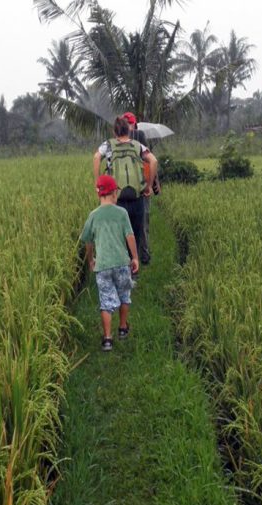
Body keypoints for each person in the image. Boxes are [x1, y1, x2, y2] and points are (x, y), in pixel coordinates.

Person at [80, 174, 140, 352]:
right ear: (114, 193)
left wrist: (91, 260)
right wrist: (135, 257)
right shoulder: (121, 213)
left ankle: (107, 339)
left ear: (99, 194)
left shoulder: (93, 215)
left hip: (103, 266)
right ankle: (122, 328)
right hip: (122, 263)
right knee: (124, 295)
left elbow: (88, 241)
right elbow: (130, 236)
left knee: (106, 301)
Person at [93, 116, 157, 268]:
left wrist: (98, 183)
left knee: (118, 236)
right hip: (137, 198)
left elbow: (96, 157)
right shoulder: (137, 145)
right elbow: (153, 161)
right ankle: (133, 271)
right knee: (134, 234)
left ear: (115, 131)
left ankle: (119, 268)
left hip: (117, 198)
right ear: (129, 130)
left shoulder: (108, 145)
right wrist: (148, 186)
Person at [122, 111, 158, 265]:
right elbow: (150, 162)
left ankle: (134, 255)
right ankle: (142, 255)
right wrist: (153, 184)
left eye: (130, 123)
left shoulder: (118, 139)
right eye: (129, 124)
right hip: (141, 186)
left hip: (125, 189)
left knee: (130, 223)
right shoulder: (140, 135)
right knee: (142, 222)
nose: (130, 127)